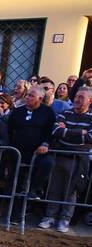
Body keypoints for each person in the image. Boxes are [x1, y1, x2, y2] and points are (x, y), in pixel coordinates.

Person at [38, 87, 91, 233]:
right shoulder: (65, 112)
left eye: (81, 97)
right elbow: (56, 131)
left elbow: (90, 138)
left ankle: (64, 219)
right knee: (54, 188)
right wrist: (80, 132)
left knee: (71, 190)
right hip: (60, 155)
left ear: (89, 100)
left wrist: (66, 131)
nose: (77, 99)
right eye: (76, 96)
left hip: (78, 159)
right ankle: (50, 216)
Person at [8, 86, 56, 199]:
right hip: (18, 152)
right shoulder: (17, 111)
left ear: (40, 98)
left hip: (38, 152)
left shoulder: (48, 112)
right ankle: (13, 211)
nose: (27, 97)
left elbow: (50, 131)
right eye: (27, 95)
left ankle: (34, 189)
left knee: (48, 163)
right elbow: (10, 130)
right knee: (15, 183)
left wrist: (45, 144)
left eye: (31, 95)